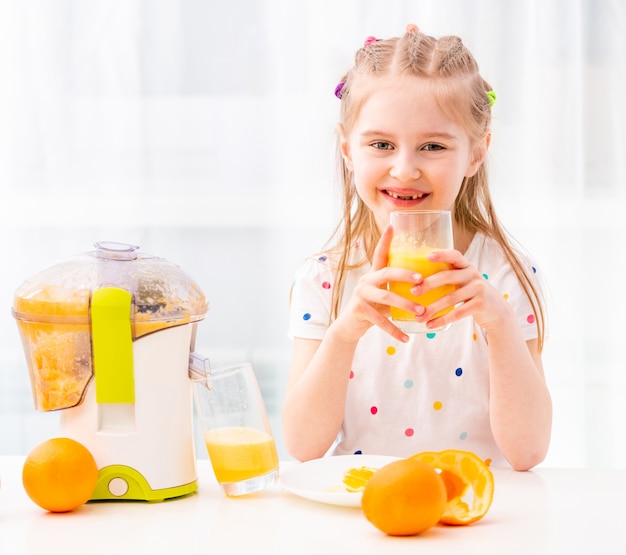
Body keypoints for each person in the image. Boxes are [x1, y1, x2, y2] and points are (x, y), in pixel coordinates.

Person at [282, 25, 552, 471]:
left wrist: (499, 323)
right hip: (367, 510)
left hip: (471, 514)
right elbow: (302, 445)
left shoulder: (506, 275)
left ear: (476, 153)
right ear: (349, 150)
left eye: (432, 146)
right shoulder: (324, 278)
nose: (404, 169)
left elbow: (528, 452)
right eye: (381, 144)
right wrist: (345, 332)